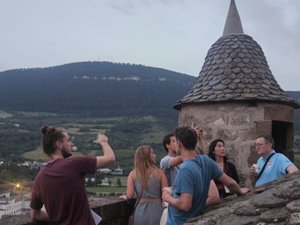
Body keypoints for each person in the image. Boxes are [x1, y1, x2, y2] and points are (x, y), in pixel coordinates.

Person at [162, 126, 250, 225]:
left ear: (179, 144)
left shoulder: (185, 170)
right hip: (195, 216)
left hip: (178, 221)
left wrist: (167, 197)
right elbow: (230, 182)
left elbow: (185, 205)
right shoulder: (206, 160)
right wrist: (240, 191)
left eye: (176, 141)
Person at [30, 125, 115, 225]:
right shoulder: (74, 164)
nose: (72, 144)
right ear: (59, 144)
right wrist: (103, 142)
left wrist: (56, 218)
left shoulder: (39, 179)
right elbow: (110, 158)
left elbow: (34, 214)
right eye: (68, 141)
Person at [122, 145, 168, 225]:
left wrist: (124, 196)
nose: (155, 155)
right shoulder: (160, 173)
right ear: (148, 157)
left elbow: (129, 195)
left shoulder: (133, 174)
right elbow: (166, 194)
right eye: (152, 153)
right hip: (157, 210)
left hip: (140, 210)